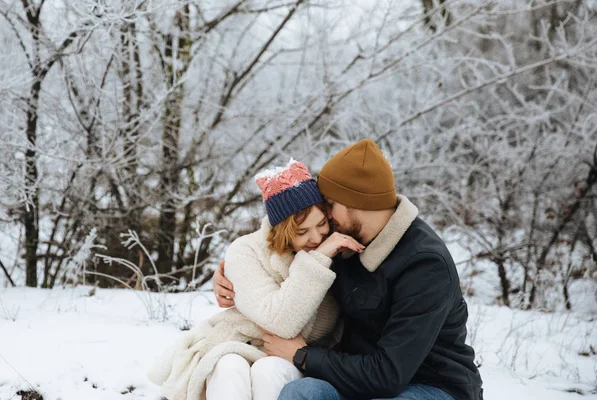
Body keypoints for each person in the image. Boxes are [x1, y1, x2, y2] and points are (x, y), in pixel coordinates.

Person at [213, 139, 484, 400]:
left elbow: (389, 375)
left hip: (429, 385)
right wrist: (232, 273)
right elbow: (287, 236)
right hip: (356, 378)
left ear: (355, 202)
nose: (326, 215)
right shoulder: (343, 238)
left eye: (329, 204)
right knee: (300, 394)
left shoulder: (425, 264)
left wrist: (302, 355)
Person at [147, 160, 364, 400]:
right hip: (242, 343)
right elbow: (280, 322)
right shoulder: (247, 250)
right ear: (281, 230)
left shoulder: (341, 247)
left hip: (302, 356)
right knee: (227, 366)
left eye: (321, 223)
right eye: (301, 232)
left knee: (268, 370)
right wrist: (318, 260)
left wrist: (324, 255)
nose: (316, 237)